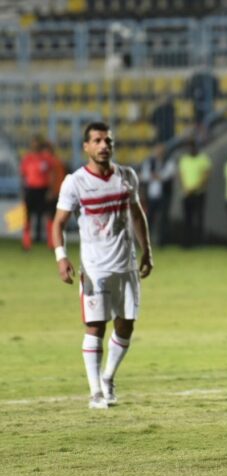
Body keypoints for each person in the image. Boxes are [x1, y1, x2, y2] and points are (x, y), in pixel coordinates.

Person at [50, 121, 153, 409]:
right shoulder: (75, 182)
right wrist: (61, 256)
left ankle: (108, 378)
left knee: (126, 325)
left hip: (126, 265)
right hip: (95, 268)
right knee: (95, 327)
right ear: (86, 147)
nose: (104, 145)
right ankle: (95, 392)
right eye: (97, 141)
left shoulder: (127, 176)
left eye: (108, 141)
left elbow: (136, 215)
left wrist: (147, 251)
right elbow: (58, 223)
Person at [20, 135, 52, 250]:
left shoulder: (46, 158)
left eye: (37, 143)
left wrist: (50, 190)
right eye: (33, 143)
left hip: (43, 190)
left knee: (48, 216)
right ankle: (26, 242)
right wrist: (23, 191)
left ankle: (51, 243)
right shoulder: (27, 159)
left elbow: (51, 175)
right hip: (30, 190)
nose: (35, 145)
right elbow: (23, 176)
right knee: (27, 217)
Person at [140, 143, 176, 246]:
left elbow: (168, 175)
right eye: (158, 150)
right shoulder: (149, 162)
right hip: (151, 195)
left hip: (164, 195)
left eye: (161, 150)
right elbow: (144, 176)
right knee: (149, 218)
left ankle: (163, 242)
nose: (159, 152)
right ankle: (146, 241)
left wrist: (155, 176)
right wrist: (157, 176)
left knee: (164, 218)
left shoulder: (169, 161)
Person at [178, 141, 211, 247]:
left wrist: (193, 188)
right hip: (187, 193)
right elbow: (181, 176)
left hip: (199, 193)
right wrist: (185, 188)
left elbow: (205, 177)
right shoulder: (184, 160)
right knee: (187, 218)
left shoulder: (203, 159)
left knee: (199, 219)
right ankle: (187, 243)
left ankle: (199, 242)